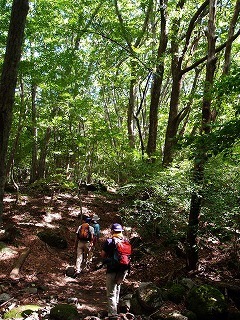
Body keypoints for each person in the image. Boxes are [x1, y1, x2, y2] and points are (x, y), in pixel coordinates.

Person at [101, 223, 130, 318]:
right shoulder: (126, 241)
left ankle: (112, 314)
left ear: (112, 231)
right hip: (123, 269)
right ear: (121, 231)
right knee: (117, 289)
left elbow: (103, 255)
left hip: (112, 269)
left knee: (111, 293)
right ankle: (115, 310)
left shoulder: (110, 241)